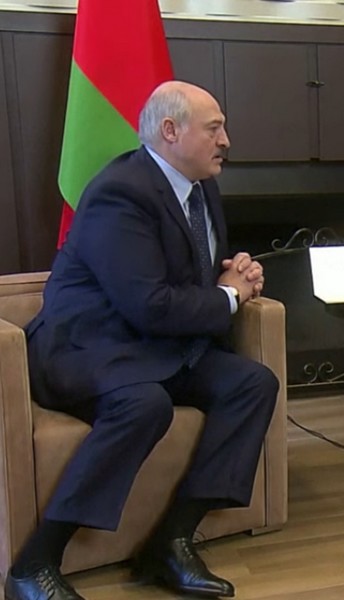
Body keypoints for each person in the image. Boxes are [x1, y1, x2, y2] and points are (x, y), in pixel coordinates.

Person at [4, 81, 279, 600]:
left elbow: (191, 271)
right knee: (145, 404)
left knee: (253, 383)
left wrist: (236, 272)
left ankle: (171, 542)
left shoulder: (201, 186)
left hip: (155, 347)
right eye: (214, 128)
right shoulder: (121, 192)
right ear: (170, 131)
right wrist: (227, 297)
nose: (226, 141)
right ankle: (33, 564)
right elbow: (148, 304)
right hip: (88, 347)